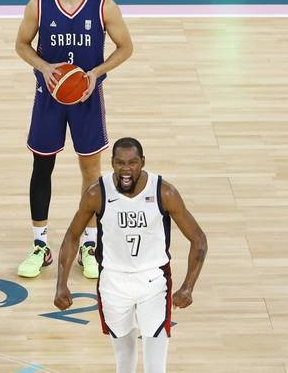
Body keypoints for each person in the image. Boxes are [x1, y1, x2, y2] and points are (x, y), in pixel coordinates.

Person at [15, 0, 133, 279]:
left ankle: (90, 244)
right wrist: (44, 66)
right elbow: (21, 45)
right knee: (42, 167)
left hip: (87, 99)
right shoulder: (39, 4)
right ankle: (40, 245)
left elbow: (126, 47)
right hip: (49, 98)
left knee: (91, 172)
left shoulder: (103, 6)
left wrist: (96, 73)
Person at [54, 137, 207, 373]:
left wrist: (188, 286)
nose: (126, 169)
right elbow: (72, 237)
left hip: (153, 281)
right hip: (112, 280)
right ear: (112, 163)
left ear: (142, 162)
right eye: (120, 163)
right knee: (123, 361)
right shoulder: (97, 193)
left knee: (155, 364)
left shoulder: (163, 192)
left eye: (133, 163)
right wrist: (61, 285)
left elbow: (198, 239)